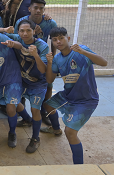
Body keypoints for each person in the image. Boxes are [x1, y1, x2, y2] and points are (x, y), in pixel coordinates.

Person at [42, 27, 107, 164]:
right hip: (68, 96)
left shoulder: (81, 50)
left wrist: (83, 52)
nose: (58, 41)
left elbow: (104, 63)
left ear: (68, 38)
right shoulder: (58, 59)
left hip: (86, 100)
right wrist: (49, 63)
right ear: (52, 43)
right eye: (55, 40)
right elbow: (49, 80)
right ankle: (55, 129)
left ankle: (79, 167)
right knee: (47, 105)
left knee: (70, 132)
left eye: (61, 38)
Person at [5, 19, 49, 153]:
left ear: (34, 31)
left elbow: (43, 70)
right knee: (12, 104)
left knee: (36, 110)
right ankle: (13, 131)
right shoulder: (17, 38)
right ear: (18, 32)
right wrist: (4, 30)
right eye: (22, 31)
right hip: (21, 81)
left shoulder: (42, 46)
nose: (25, 33)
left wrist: (35, 55)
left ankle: (35, 138)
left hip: (38, 83)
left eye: (28, 30)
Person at [14, 0, 58, 125]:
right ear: (30, 9)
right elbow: (17, 37)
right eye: (35, 8)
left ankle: (44, 112)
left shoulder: (50, 23)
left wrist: (52, 57)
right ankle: (23, 116)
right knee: (22, 86)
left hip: (42, 59)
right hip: (24, 59)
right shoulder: (21, 21)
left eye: (41, 8)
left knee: (48, 86)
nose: (38, 11)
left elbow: (54, 39)